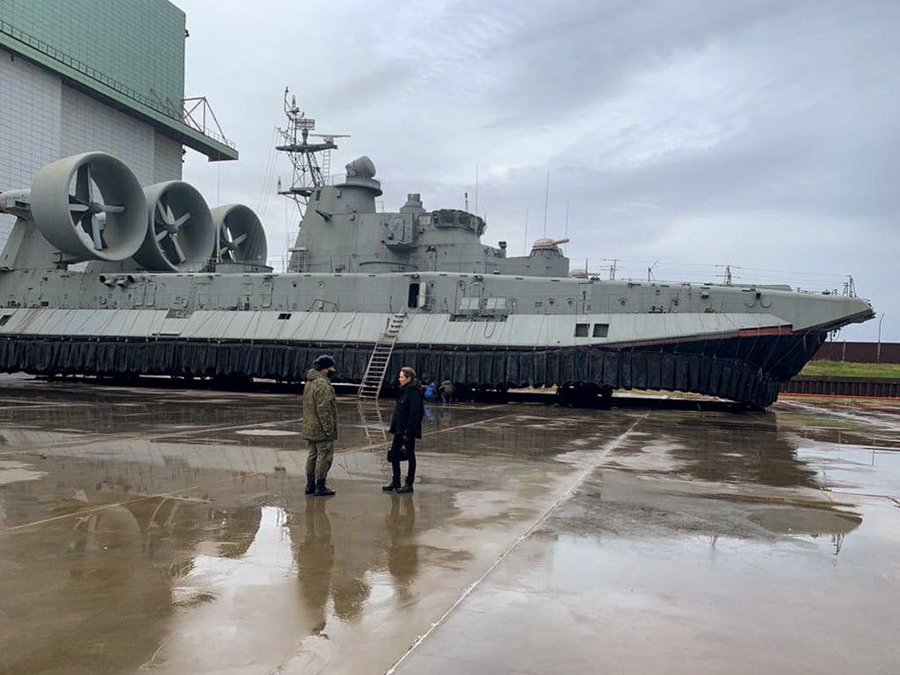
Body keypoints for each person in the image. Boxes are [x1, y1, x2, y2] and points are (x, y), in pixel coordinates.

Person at [383, 366, 424, 494]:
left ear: (409, 378)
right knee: (394, 453)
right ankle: (396, 480)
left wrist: (409, 430)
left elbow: (416, 412)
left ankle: (409, 483)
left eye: (401, 377)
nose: (399, 379)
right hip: (399, 429)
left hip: (407, 430)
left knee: (410, 455)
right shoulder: (404, 390)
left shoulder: (413, 391)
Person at [302, 354, 338, 497]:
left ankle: (310, 485)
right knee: (324, 456)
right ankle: (320, 485)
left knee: (312, 455)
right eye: (331, 368)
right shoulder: (323, 385)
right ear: (325, 369)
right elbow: (324, 409)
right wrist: (329, 429)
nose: (333, 370)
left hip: (311, 426)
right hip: (321, 428)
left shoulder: (310, 383)